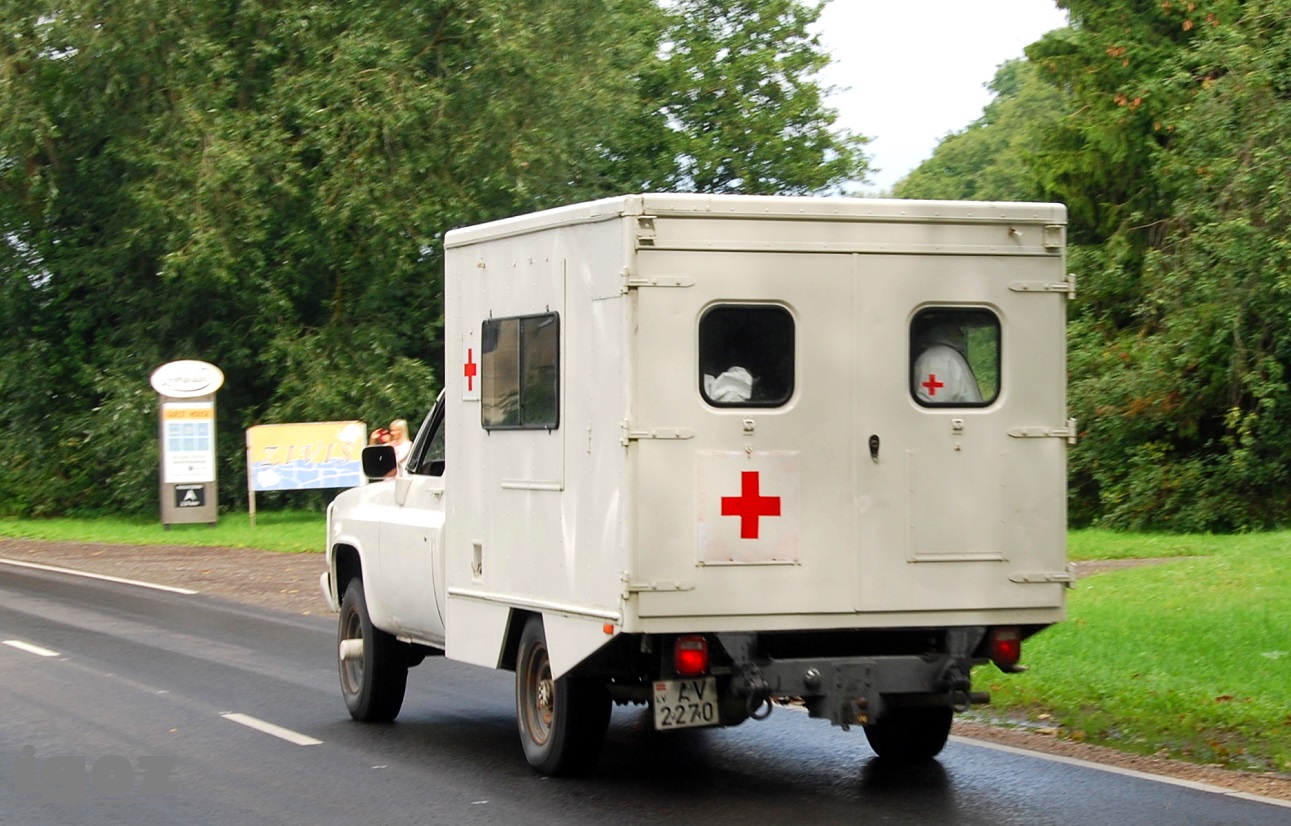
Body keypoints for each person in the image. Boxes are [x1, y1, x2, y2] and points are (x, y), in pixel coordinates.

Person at [913, 316, 983, 404]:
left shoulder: (943, 356)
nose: (961, 331)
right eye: (955, 325)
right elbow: (933, 408)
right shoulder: (938, 360)